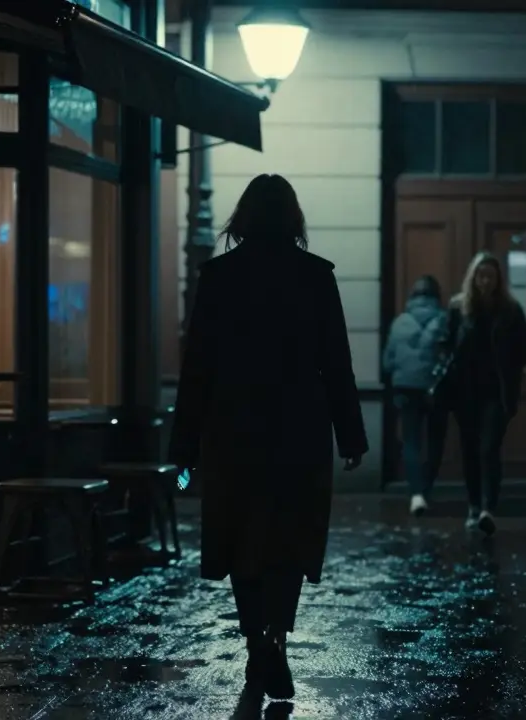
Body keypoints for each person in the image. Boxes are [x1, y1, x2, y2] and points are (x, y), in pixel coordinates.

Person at [167, 174, 368, 701]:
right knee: (289, 538)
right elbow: (336, 364)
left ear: (244, 218)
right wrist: (351, 436)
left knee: (240, 537)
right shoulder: (315, 276)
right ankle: (276, 636)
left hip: (233, 428)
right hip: (299, 427)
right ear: (292, 218)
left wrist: (182, 447)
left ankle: (257, 639)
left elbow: (197, 370)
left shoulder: (219, 276)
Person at [443, 252, 526, 536]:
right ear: (473, 277)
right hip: (465, 390)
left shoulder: (511, 310)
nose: (485, 281)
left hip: (496, 390)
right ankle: (473, 505)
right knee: (470, 449)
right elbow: (447, 345)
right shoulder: (458, 307)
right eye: (480, 275)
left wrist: (514, 380)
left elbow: (522, 351)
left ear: (498, 279)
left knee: (489, 448)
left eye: (490, 276)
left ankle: (488, 509)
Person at [382, 276, 451, 516]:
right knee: (435, 442)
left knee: (411, 441)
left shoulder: (400, 322)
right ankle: (427, 489)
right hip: (435, 389)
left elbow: (388, 361)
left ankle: (416, 495)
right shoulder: (444, 319)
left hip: (405, 388)